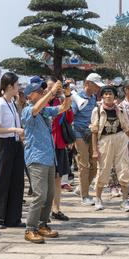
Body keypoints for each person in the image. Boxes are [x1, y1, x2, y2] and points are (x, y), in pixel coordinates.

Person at [21, 79, 71, 244]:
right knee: (40, 195)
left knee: (49, 195)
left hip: (49, 158)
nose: (42, 93)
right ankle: (30, 228)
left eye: (43, 91)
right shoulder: (28, 110)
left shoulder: (44, 111)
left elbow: (64, 107)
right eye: (38, 91)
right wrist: (51, 93)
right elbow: (36, 108)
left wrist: (67, 92)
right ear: (29, 95)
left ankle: (42, 225)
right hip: (36, 158)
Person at [0, 72, 25, 230]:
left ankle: (13, 217)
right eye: (17, 84)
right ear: (10, 86)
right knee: (1, 182)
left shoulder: (11, 103)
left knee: (17, 181)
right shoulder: (0, 104)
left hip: (16, 144)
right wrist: (14, 129)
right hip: (4, 144)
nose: (19, 87)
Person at [91, 85, 129, 212]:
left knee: (124, 169)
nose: (108, 96)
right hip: (105, 141)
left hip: (120, 140)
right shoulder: (97, 110)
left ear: (115, 96)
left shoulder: (120, 110)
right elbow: (94, 131)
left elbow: (126, 128)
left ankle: (125, 200)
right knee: (103, 170)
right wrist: (94, 150)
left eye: (110, 94)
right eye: (105, 94)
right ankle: (98, 199)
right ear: (102, 96)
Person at [71, 73, 104, 205]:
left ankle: (82, 188)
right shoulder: (77, 98)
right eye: (96, 85)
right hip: (79, 134)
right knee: (84, 165)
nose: (97, 88)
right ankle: (84, 196)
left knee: (94, 165)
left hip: (92, 134)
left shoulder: (93, 98)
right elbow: (70, 117)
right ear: (88, 84)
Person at [46, 76, 73, 222]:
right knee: (46, 178)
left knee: (57, 178)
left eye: (56, 87)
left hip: (59, 143)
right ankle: (46, 209)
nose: (54, 90)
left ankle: (56, 209)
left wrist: (66, 99)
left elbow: (69, 119)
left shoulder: (61, 101)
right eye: (50, 87)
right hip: (46, 144)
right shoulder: (40, 103)